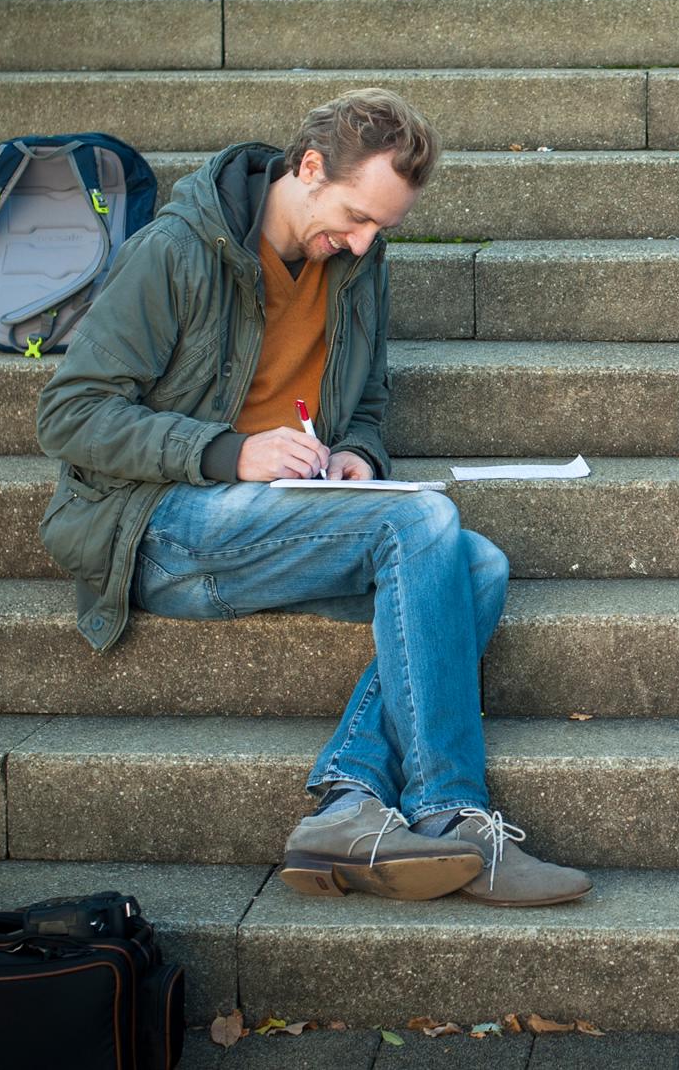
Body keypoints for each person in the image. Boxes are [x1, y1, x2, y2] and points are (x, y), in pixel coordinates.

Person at [36, 88, 591, 908]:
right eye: (357, 215)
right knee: (425, 521)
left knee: (477, 564)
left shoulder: (356, 265)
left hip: (279, 519)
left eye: (381, 228)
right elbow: (70, 411)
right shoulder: (178, 252)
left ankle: (351, 802)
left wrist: (359, 456)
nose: (365, 241)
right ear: (307, 167)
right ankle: (450, 814)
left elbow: (368, 400)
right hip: (157, 524)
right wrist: (230, 452)